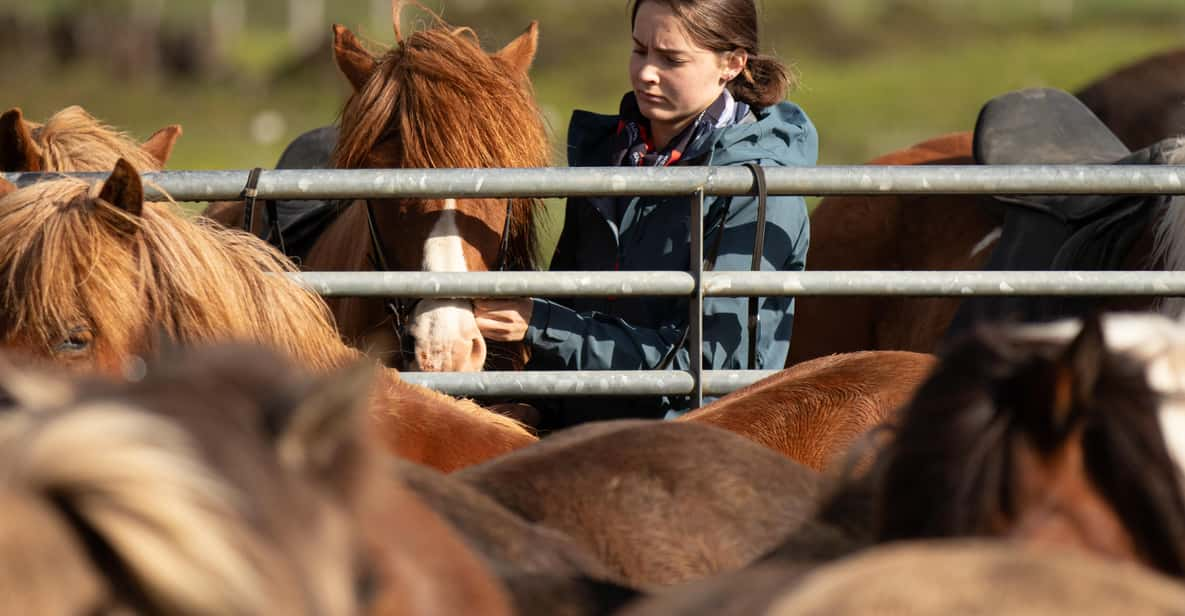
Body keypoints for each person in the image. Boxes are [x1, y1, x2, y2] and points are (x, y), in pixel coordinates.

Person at [473, 0, 816, 426]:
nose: (646, 73)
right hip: (586, 431)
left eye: (671, 59)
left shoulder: (757, 187)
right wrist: (541, 406)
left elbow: (707, 367)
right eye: (639, 51)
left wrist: (541, 323)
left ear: (731, 63)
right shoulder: (605, 157)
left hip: (693, 440)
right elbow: (571, 297)